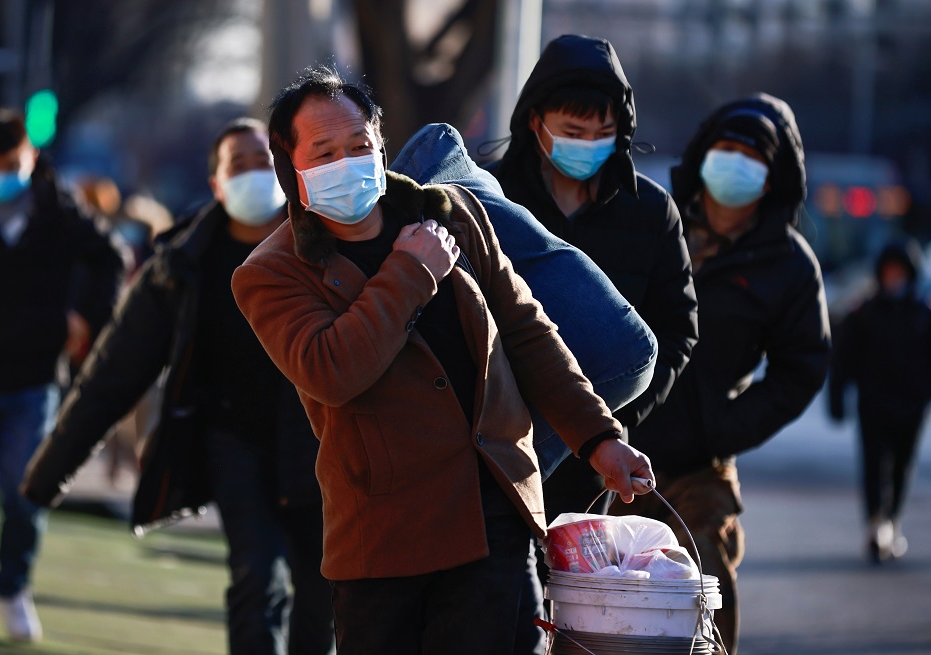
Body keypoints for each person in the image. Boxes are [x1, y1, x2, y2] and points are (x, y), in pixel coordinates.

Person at [232, 65, 655, 655]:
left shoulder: (452, 213)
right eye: (324, 152)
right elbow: (332, 371)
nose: (347, 163)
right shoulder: (270, 274)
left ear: (381, 144)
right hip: (383, 539)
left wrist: (598, 438)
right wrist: (409, 273)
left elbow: (529, 334)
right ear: (291, 168)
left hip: (491, 516)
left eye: (359, 145)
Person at [21, 118, 335, 655]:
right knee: (255, 576)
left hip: (322, 444)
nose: (255, 172)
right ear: (216, 183)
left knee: (324, 591)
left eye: (265, 160)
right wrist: (49, 472)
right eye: (239, 164)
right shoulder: (182, 263)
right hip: (232, 439)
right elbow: (113, 373)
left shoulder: (328, 243)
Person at [390, 121, 657, 652]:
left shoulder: (452, 222)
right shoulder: (483, 202)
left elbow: (535, 339)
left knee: (491, 510)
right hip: (591, 371)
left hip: (589, 372)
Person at [609, 93, 831, 655]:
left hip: (698, 464)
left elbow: (801, 367)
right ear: (704, 155)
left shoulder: (788, 265)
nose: (735, 164)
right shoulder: (654, 222)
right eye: (725, 149)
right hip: (607, 443)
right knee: (599, 604)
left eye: (752, 156)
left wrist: (722, 427)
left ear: (775, 175)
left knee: (699, 590)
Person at [486, 35, 699, 521]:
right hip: (504, 445)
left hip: (608, 457)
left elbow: (677, 330)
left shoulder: (650, 213)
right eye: (573, 131)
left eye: (602, 132)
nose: (588, 145)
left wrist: (610, 426)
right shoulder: (491, 199)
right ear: (536, 121)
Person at [0, 109, 124, 642]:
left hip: (33, 379)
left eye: (14, 163)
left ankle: (12, 588)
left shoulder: (58, 210)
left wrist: (86, 317)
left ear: (31, 157)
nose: (4, 173)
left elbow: (110, 256)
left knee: (25, 494)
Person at [828, 239, 931, 564]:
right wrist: (837, 397)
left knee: (902, 466)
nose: (894, 278)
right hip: (873, 405)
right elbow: (842, 358)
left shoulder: (923, 315)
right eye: (889, 272)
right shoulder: (865, 313)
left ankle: (893, 521)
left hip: (912, 408)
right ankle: (876, 524)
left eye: (899, 272)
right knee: (874, 465)